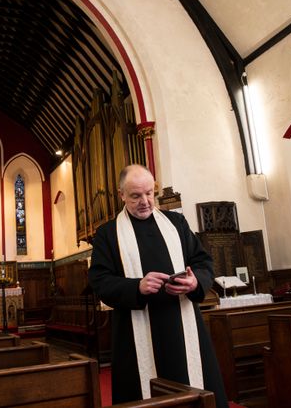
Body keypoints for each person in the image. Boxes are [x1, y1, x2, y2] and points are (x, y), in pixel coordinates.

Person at [88, 164, 229, 406]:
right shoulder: (107, 234)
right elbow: (100, 282)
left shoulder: (176, 223)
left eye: (149, 193)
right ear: (121, 194)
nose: (145, 201)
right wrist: (137, 287)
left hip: (183, 324)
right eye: (135, 195)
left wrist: (195, 282)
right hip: (134, 331)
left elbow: (204, 262)